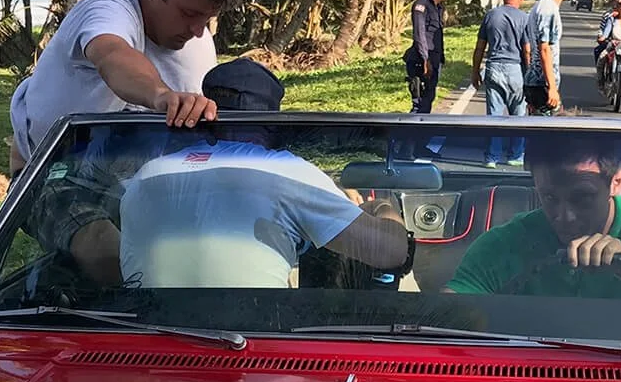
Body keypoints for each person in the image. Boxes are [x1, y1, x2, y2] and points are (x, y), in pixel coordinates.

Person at [118, 58, 411, 289]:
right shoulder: (287, 173)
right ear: (272, 122)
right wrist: (383, 208)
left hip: (142, 336)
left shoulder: (148, 175)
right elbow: (391, 252)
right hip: (246, 344)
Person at [10, 0, 243, 173]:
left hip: (137, 185)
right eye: (188, 13)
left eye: (207, 19)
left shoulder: (199, 43)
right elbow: (112, 54)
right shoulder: (108, 9)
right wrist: (161, 95)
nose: (197, 31)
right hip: (52, 174)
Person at [445, 137, 621, 302]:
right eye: (549, 197)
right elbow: (446, 315)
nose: (565, 217)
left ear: (616, 182)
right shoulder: (504, 243)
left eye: (582, 198)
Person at [472, 0, 532, 117]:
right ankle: (516, 139)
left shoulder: (490, 15)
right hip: (515, 70)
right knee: (518, 120)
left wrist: (475, 72)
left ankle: (495, 139)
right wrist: (529, 76)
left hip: (493, 68)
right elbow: (527, 51)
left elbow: (480, 47)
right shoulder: (524, 18)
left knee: (494, 119)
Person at [523, 0, 573, 115]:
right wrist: (551, 87)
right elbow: (544, 49)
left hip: (535, 82)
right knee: (547, 133)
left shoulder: (539, 6)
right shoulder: (548, 9)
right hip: (541, 84)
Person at [405, 0, 451, 113]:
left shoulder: (438, 8)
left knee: (429, 97)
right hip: (422, 60)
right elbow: (419, 34)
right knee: (420, 102)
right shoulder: (421, 5)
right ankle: (414, 132)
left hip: (434, 59)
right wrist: (425, 59)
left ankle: (420, 131)